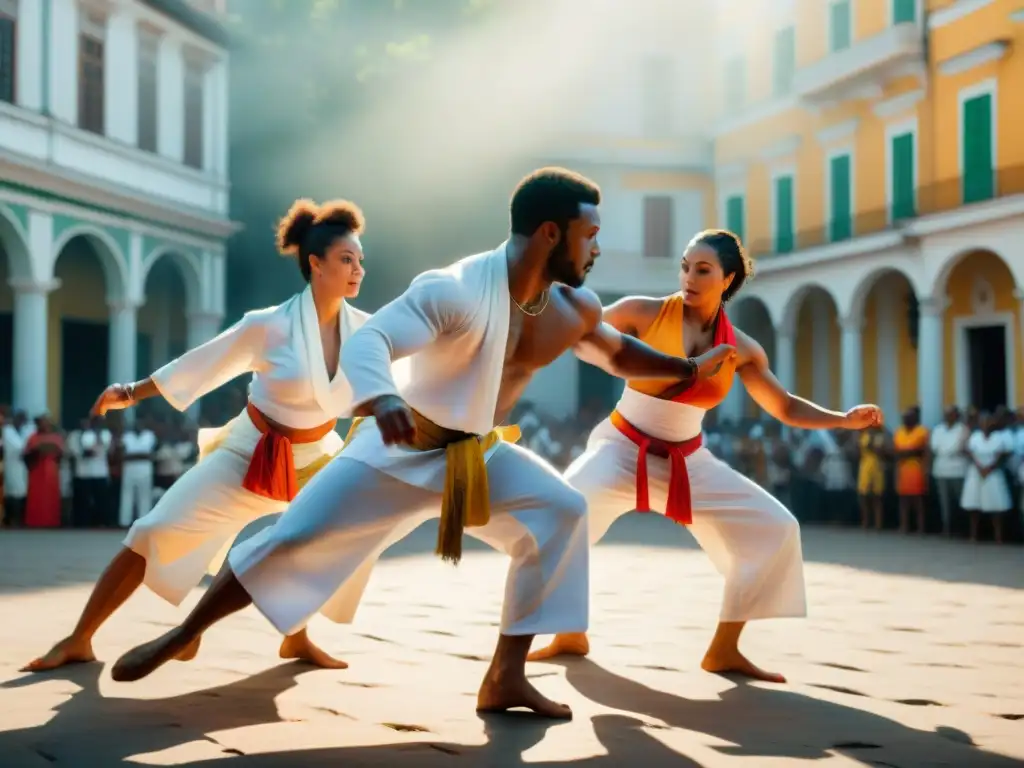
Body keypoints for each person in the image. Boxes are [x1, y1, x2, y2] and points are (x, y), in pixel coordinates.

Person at [107, 167, 734, 720]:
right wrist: (379, 399)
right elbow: (369, 342)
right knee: (293, 537)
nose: (598, 247)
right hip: (399, 445)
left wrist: (685, 370)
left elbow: (620, 353)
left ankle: (505, 677)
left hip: (477, 451)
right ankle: (183, 632)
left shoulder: (575, 307)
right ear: (550, 232)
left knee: (562, 513)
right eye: (589, 234)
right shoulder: (454, 288)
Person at [22, 198, 371, 673]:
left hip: (316, 460)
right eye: (347, 260)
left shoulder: (367, 332)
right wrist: (130, 392)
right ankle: (79, 637)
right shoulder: (268, 325)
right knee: (154, 530)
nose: (358, 270)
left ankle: (297, 636)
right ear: (316, 264)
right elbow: (203, 363)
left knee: (316, 541)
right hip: (251, 451)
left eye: (360, 260)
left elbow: (401, 380)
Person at [526, 229, 882, 682]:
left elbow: (785, 406)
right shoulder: (644, 311)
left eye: (703, 269)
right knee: (565, 511)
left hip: (689, 461)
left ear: (727, 278)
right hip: (620, 447)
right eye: (685, 266)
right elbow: (584, 333)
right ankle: (568, 633)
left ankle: (724, 650)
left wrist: (844, 419)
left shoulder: (743, 349)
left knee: (777, 527)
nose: (689, 277)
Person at [961, 411, 1012, 543]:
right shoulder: (975, 436)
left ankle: (998, 536)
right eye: (983, 422)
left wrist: (989, 468)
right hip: (976, 473)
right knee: (974, 505)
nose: (985, 424)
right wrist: (980, 467)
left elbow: (1001, 455)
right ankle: (974, 534)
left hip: (993, 472)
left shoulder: (998, 437)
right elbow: (970, 452)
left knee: (996, 505)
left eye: (988, 422)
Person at [930, 406, 968, 537]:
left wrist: (947, 451)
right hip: (941, 470)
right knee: (944, 502)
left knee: (959, 500)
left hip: (958, 470)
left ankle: (962, 528)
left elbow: (958, 447)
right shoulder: (938, 429)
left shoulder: (962, 429)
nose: (948, 417)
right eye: (946, 415)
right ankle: (947, 528)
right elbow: (935, 446)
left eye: (951, 414)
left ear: (956, 416)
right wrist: (948, 451)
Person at [23, 415, 65, 528]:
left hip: (52, 472)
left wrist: (45, 448)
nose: (43, 425)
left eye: (45, 422)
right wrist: (40, 450)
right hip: (37, 471)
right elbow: (27, 454)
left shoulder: (56, 437)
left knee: (50, 499)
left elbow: (60, 453)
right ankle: (34, 522)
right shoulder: (33, 437)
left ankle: (52, 522)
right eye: (41, 422)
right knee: (36, 498)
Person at [893, 406, 929, 534]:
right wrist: (911, 452)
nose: (906, 419)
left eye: (909, 417)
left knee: (917, 500)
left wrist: (909, 452)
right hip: (902, 469)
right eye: (904, 417)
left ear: (915, 418)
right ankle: (904, 526)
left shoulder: (922, 431)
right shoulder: (899, 432)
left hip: (917, 468)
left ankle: (921, 528)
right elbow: (897, 451)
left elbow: (922, 450)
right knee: (903, 500)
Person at [857, 425, 888, 530]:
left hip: (877, 467)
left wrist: (872, 439)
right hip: (865, 466)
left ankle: (878, 524)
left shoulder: (879, 436)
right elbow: (859, 450)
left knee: (877, 496)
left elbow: (880, 451)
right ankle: (865, 522)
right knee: (864, 496)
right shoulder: (863, 435)